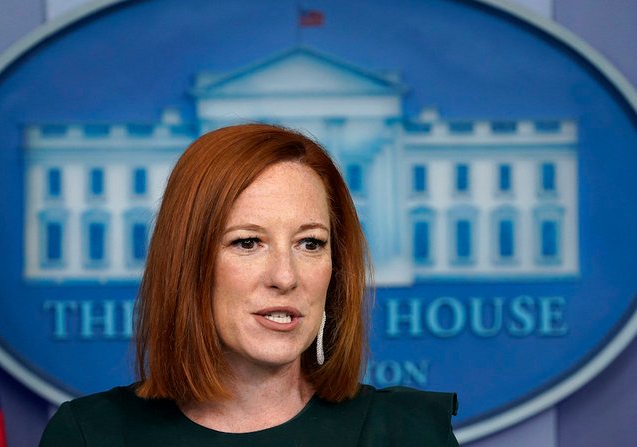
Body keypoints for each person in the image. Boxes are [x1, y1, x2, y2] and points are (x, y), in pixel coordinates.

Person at [39, 123, 458, 446]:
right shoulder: (90, 436)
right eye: (248, 242)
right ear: (189, 263)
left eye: (310, 243)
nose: (285, 276)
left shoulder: (408, 432)